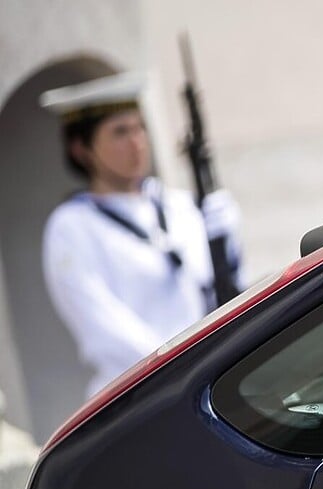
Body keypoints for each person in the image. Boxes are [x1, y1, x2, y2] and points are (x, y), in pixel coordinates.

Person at [40, 72, 245, 399]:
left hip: (207, 379)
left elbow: (221, 290)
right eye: (120, 132)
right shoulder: (71, 226)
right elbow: (103, 326)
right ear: (81, 148)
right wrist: (177, 364)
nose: (136, 142)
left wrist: (229, 242)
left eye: (140, 128)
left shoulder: (180, 206)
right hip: (136, 394)